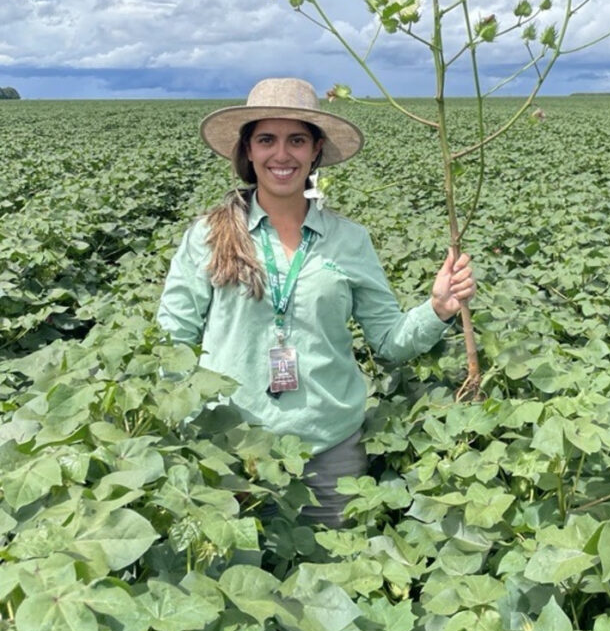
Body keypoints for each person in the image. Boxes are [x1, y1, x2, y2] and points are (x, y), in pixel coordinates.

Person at [157, 77, 475, 527]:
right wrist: (193, 434)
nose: (281, 154)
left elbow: (387, 340)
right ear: (248, 150)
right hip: (231, 450)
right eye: (266, 139)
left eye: (296, 140)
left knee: (336, 580)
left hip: (330, 453)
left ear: (315, 151)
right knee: (235, 586)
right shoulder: (209, 236)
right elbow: (172, 339)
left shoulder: (350, 240)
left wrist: (438, 309)